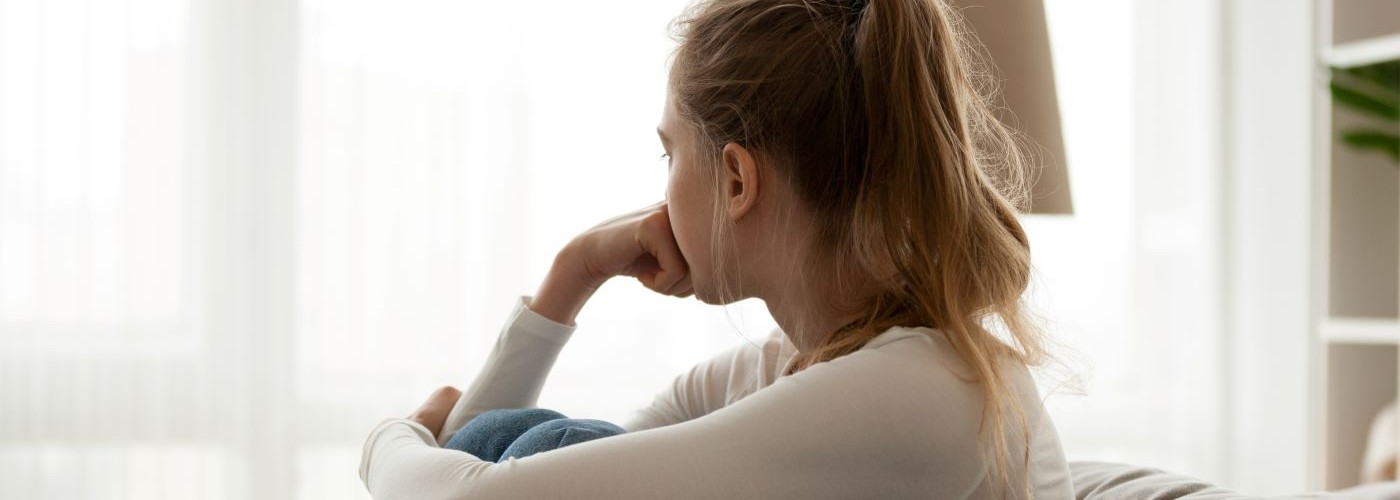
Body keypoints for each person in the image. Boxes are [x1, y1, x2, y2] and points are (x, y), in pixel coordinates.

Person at [357, 0, 1074, 497]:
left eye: (669, 153)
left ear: (736, 179)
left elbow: (470, 497)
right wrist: (575, 271)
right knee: (540, 442)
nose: (661, 192)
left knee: (537, 445)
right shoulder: (779, 370)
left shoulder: (923, 389)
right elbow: (513, 469)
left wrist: (388, 439)